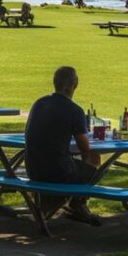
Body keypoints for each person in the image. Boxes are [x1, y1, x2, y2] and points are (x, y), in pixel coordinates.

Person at [24, 66, 102, 226]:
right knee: (94, 157)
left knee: (65, 159)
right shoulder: (75, 110)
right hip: (58, 173)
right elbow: (85, 148)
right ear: (75, 84)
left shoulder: (39, 104)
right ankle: (78, 202)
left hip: (32, 169)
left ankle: (71, 202)